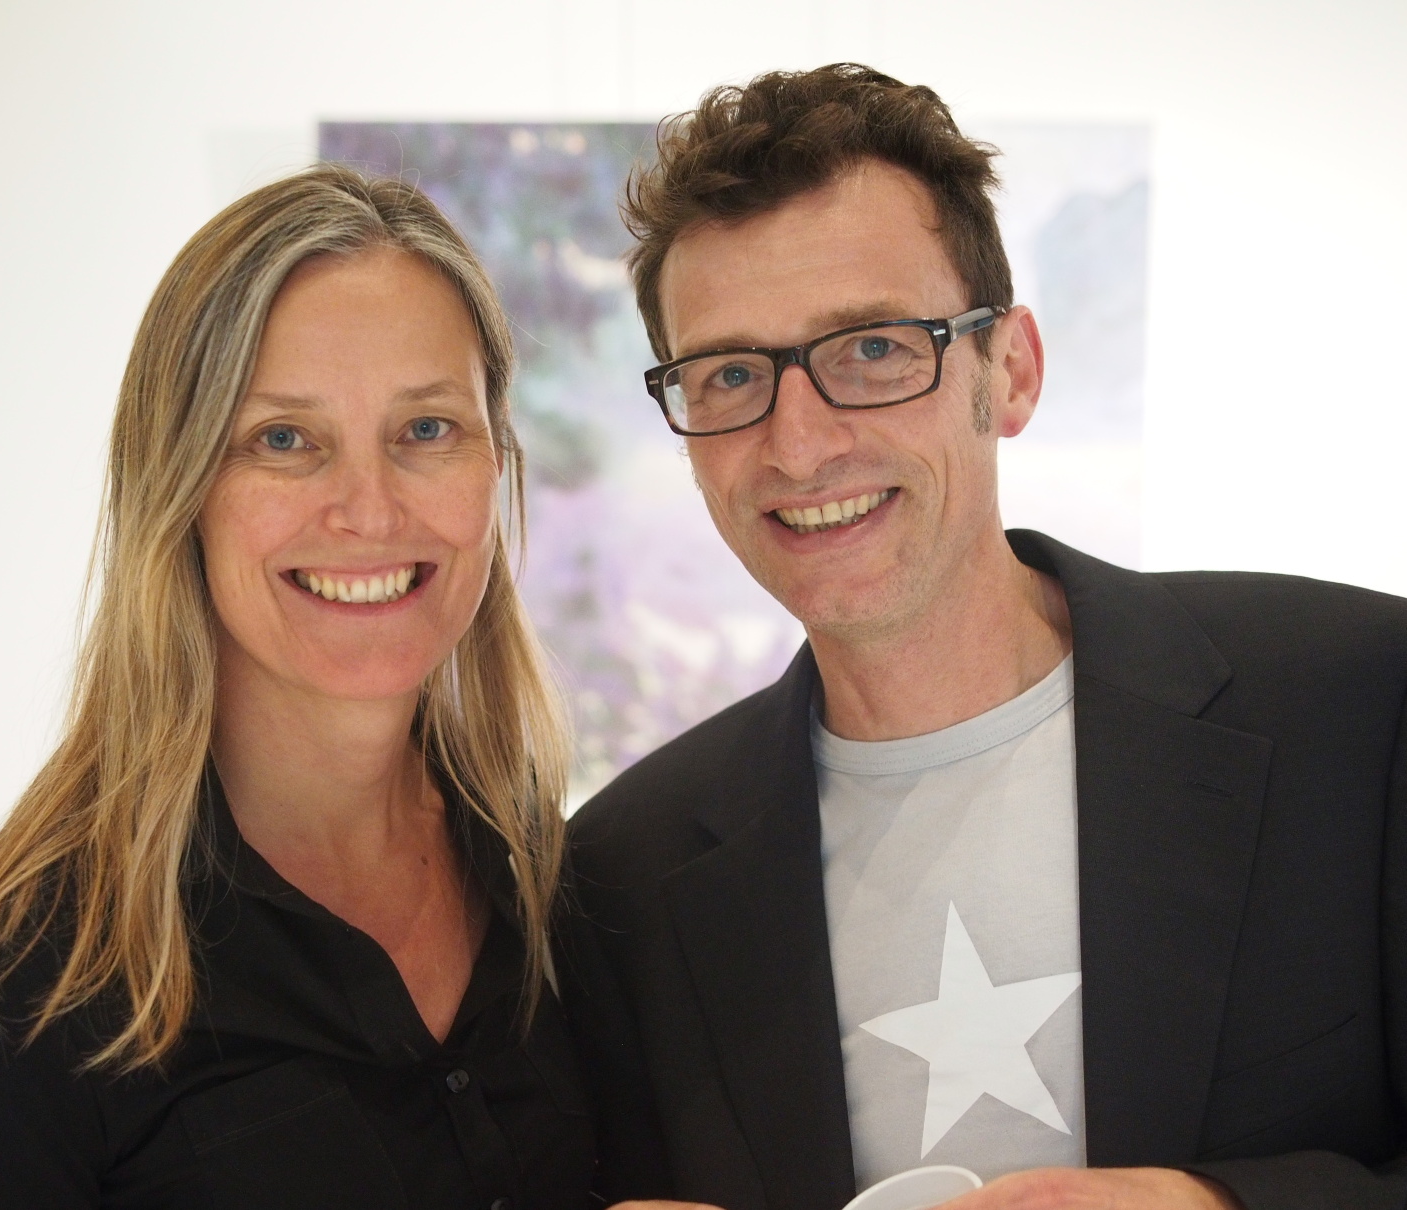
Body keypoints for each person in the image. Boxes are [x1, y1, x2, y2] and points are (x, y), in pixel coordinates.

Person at [559, 64, 1407, 1210]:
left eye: (870, 349)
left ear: (1009, 370)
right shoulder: (623, 874)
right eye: (729, 375)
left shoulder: (1357, 704)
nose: (798, 446)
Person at [0, 164, 596, 1210]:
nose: (368, 509)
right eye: (283, 440)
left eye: (427, 429)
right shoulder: (16, 1003)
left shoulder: (553, 882)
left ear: (495, 460)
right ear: (181, 488)